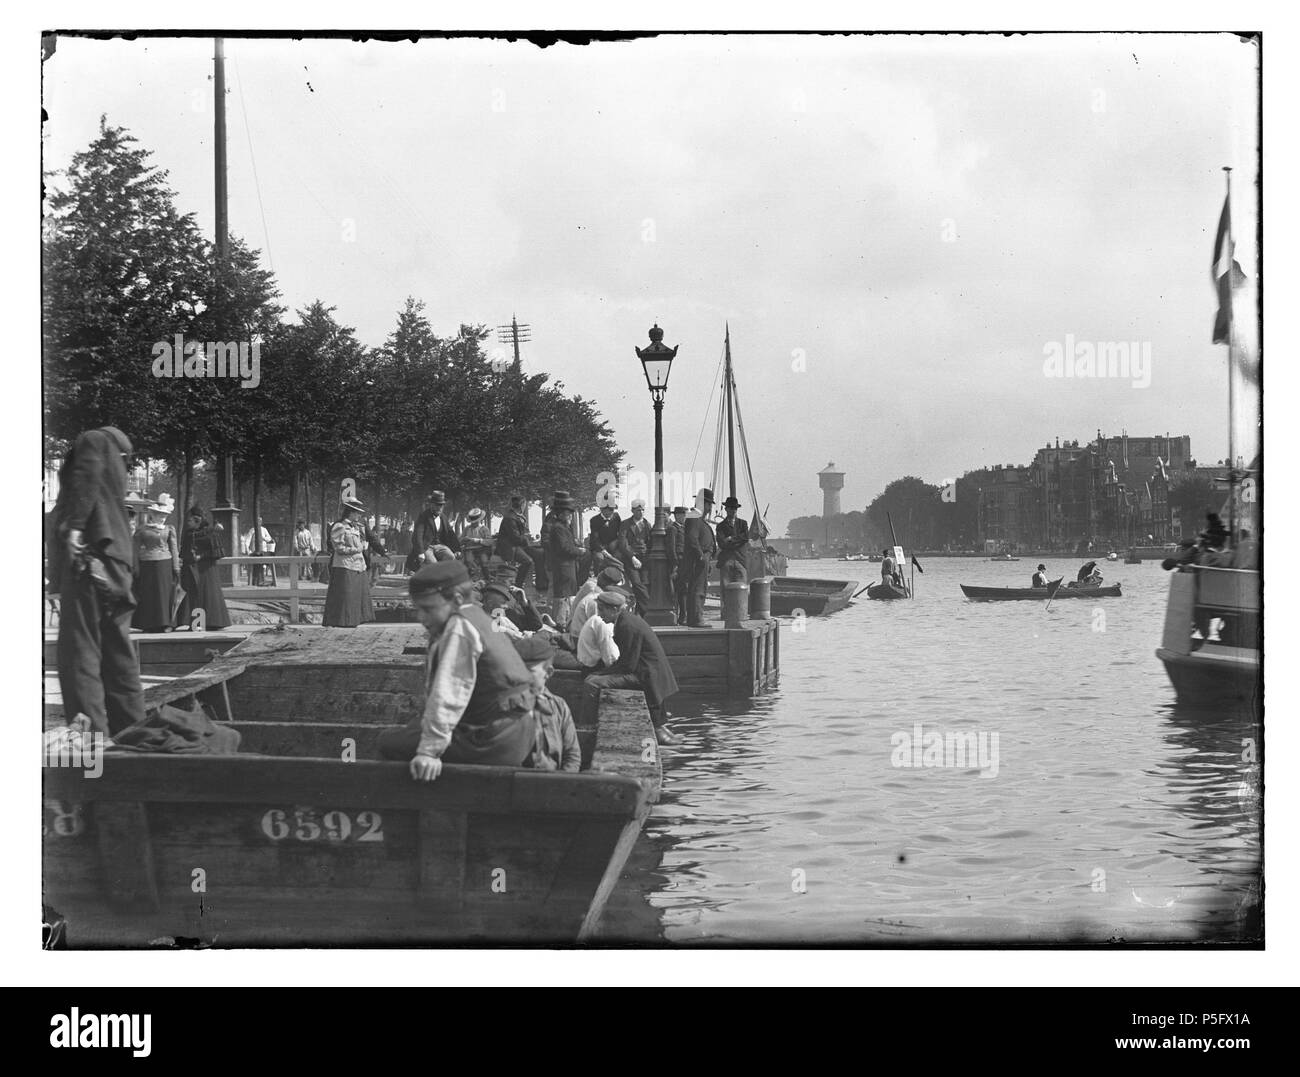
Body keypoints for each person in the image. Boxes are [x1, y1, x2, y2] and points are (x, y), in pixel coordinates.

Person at [376, 561, 538, 780]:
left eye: (428, 609)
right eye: (418, 609)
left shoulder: (459, 627)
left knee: (388, 742)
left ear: (457, 600)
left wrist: (429, 752)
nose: (421, 618)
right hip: (519, 733)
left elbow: (449, 692)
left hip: (493, 741)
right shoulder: (477, 616)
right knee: (414, 729)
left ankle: (431, 809)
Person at [50, 426, 146, 737]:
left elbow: (86, 479)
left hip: (91, 557)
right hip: (118, 560)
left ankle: (92, 743)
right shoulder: (116, 466)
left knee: (79, 654)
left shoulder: (92, 440)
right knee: (118, 656)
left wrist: (76, 526)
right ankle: (133, 733)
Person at [584, 591, 680, 744]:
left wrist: (600, 674)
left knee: (591, 682)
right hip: (650, 673)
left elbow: (628, 664)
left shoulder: (626, 625)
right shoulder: (628, 620)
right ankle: (659, 727)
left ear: (614, 610)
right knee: (594, 678)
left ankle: (590, 727)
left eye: (602, 609)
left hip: (646, 676)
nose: (599, 614)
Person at [514, 636, 582, 772]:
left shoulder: (559, 706)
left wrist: (561, 783)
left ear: (548, 672)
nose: (519, 676)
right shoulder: (506, 704)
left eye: (528, 671)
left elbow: (572, 755)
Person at [322, 497, 374, 627]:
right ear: (350, 512)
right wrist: (357, 549)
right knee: (346, 594)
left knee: (355, 595)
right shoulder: (340, 526)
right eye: (357, 512)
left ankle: (353, 620)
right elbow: (338, 548)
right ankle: (342, 621)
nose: (359, 515)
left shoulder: (356, 527)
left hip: (357, 565)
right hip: (344, 565)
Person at [178, 506, 231, 630]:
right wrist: (189, 557)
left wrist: (201, 556)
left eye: (190, 520)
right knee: (195, 597)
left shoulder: (210, 533)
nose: (188, 523)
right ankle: (197, 624)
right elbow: (183, 552)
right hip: (192, 570)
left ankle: (213, 623)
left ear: (198, 520)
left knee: (208, 595)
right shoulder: (188, 534)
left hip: (207, 569)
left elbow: (218, 553)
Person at [131, 496, 180, 632]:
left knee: (165, 594)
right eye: (159, 515)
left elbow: (174, 549)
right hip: (146, 565)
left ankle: (166, 624)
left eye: (164, 515)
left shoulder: (169, 529)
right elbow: (134, 550)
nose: (162, 518)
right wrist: (135, 566)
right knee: (149, 594)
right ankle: (148, 624)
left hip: (165, 564)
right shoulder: (142, 530)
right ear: (152, 515)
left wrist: (176, 567)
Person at [544, 490, 583, 622]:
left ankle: (563, 621)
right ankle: (560, 623)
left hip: (566, 567)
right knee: (562, 597)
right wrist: (580, 551)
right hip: (563, 567)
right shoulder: (558, 527)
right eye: (568, 512)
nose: (571, 515)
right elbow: (564, 549)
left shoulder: (562, 526)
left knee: (567, 595)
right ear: (561, 513)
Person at [682, 489, 717, 627]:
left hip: (703, 558)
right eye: (708, 504)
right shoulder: (694, 517)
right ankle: (696, 619)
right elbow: (692, 539)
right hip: (698, 560)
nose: (710, 508)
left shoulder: (698, 519)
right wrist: (701, 557)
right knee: (698, 589)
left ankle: (695, 617)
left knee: (699, 588)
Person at [406, 491, 460, 573]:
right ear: (432, 505)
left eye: (441, 505)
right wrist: (420, 552)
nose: (440, 507)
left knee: (451, 557)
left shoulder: (443, 517)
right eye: (437, 505)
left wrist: (457, 549)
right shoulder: (424, 516)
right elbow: (418, 535)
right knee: (433, 563)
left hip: (440, 546)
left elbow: (451, 534)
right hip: (427, 547)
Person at [494, 495, 534, 589]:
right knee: (528, 561)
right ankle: (518, 584)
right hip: (508, 548)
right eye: (524, 504)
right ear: (522, 505)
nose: (525, 507)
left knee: (530, 559)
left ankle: (520, 584)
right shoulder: (510, 518)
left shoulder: (514, 516)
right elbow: (514, 537)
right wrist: (526, 539)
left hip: (513, 546)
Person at [619, 499, 652, 610]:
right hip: (630, 559)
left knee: (645, 584)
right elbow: (623, 543)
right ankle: (649, 605)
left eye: (642, 510)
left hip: (645, 559)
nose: (641, 512)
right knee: (637, 583)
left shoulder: (647, 524)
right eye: (638, 510)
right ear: (632, 510)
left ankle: (642, 611)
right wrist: (632, 557)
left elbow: (650, 543)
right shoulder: (625, 524)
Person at [715, 495, 750, 583]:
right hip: (726, 561)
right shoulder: (720, 526)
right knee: (725, 590)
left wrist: (730, 539)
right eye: (731, 508)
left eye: (735, 508)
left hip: (741, 561)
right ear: (726, 509)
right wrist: (738, 540)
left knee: (741, 590)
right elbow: (721, 543)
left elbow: (745, 538)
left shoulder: (743, 524)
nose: (733, 510)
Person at [460, 507, 492, 581]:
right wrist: (464, 540)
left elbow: (490, 541)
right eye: (473, 521)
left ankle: (487, 579)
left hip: (482, 549)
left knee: (484, 561)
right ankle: (471, 578)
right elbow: (460, 540)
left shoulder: (484, 529)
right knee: (469, 561)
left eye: (476, 521)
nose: (474, 523)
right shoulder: (467, 529)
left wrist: (477, 540)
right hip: (469, 550)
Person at [669, 506, 688, 623]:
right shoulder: (673, 529)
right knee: (678, 590)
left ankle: (682, 615)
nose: (685, 517)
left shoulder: (685, 528)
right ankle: (678, 616)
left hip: (685, 562)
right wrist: (675, 564)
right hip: (678, 562)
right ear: (678, 515)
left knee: (684, 590)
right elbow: (671, 548)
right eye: (684, 515)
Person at [362, 515, 387, 584]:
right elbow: (369, 546)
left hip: (376, 555)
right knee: (371, 569)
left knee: (376, 569)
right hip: (370, 555)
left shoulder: (381, 537)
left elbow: (382, 545)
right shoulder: (371, 537)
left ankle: (374, 580)